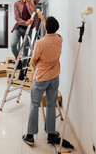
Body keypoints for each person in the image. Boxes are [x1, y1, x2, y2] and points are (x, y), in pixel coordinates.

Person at [22, 13, 63, 146]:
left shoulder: (40, 43)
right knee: (51, 104)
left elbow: (34, 60)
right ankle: (51, 134)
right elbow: (50, 29)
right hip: (54, 77)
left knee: (35, 105)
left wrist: (34, 64)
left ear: (45, 29)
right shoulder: (59, 39)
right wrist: (43, 18)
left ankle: (30, 136)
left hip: (41, 78)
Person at [11, 0, 51, 70]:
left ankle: (23, 67)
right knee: (13, 44)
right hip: (19, 27)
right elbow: (16, 17)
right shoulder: (16, 4)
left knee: (26, 49)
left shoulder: (33, 1)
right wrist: (25, 22)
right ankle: (18, 61)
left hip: (28, 29)